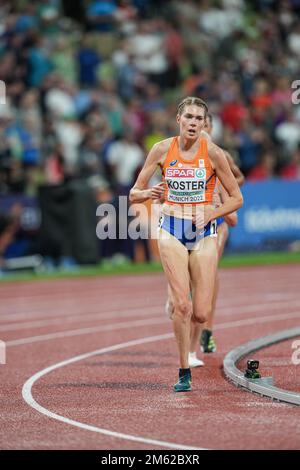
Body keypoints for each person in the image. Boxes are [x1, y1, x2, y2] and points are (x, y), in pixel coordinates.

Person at [129, 96, 243, 392]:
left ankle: (197, 332)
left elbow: (237, 198)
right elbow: (133, 193)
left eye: (198, 119)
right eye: (188, 117)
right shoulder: (161, 149)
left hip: (204, 231)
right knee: (183, 305)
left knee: (201, 313)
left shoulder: (215, 153)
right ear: (178, 119)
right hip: (171, 228)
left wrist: (213, 213)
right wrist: (150, 192)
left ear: (205, 124)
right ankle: (183, 370)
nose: (193, 123)